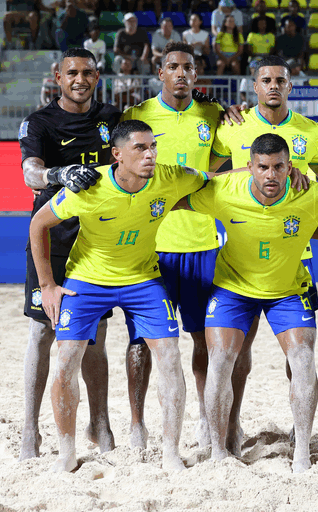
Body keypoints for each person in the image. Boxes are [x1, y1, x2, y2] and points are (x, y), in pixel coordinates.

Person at [28, 119, 215, 472]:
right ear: (117, 155)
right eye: (140, 148)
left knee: (170, 356)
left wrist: (255, 168)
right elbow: (39, 224)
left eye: (153, 147)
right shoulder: (90, 187)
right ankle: (67, 453)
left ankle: (171, 453)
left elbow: (217, 179)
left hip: (143, 279)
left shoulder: (171, 176)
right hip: (87, 279)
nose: (150, 154)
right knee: (66, 360)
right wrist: (48, 286)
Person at [181, 133, 318, 471]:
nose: (270, 175)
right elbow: (174, 197)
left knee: (302, 360)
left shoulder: (310, 194)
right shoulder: (224, 192)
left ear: (290, 168)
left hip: (287, 289)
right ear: (249, 167)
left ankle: (302, 452)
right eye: (262, 167)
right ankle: (218, 452)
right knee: (221, 360)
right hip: (233, 288)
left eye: (278, 167)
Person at [209, 55, 318, 454]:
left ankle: (301, 434)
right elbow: (205, 174)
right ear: (254, 85)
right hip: (243, 247)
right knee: (234, 353)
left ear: (291, 85)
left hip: (296, 246)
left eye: (281, 79)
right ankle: (228, 428)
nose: (274, 85)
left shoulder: (312, 134)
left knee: (297, 352)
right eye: (266, 79)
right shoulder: (233, 124)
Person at [119, 41, 226, 450]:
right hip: (149, 247)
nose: (180, 73)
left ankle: (201, 418)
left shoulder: (213, 114)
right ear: (160, 73)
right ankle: (136, 424)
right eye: (172, 67)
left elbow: (213, 170)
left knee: (201, 337)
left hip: (201, 244)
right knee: (139, 342)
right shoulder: (137, 116)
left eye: (188, 67)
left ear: (196, 76)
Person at [18, 48, 120, 462]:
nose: (80, 79)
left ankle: (99, 424)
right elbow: (29, 172)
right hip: (53, 240)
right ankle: (29, 429)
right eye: (72, 72)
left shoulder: (112, 118)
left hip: (98, 242)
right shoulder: (39, 122)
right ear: (58, 76)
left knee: (96, 339)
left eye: (88, 72)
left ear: (98, 77)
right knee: (42, 333)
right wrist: (58, 175)